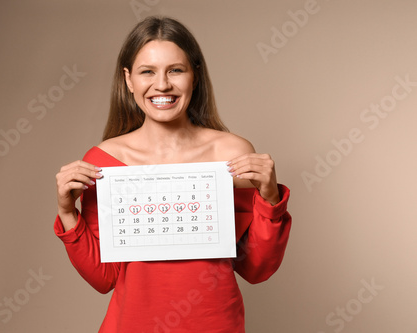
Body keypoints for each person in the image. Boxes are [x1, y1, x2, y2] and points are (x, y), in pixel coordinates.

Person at [54, 16, 291, 332]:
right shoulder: (104, 162)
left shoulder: (231, 154)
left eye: (175, 70)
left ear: (194, 76)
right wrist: (67, 212)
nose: (162, 84)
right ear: (129, 80)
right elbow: (103, 277)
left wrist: (270, 198)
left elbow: (256, 268)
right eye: (147, 71)